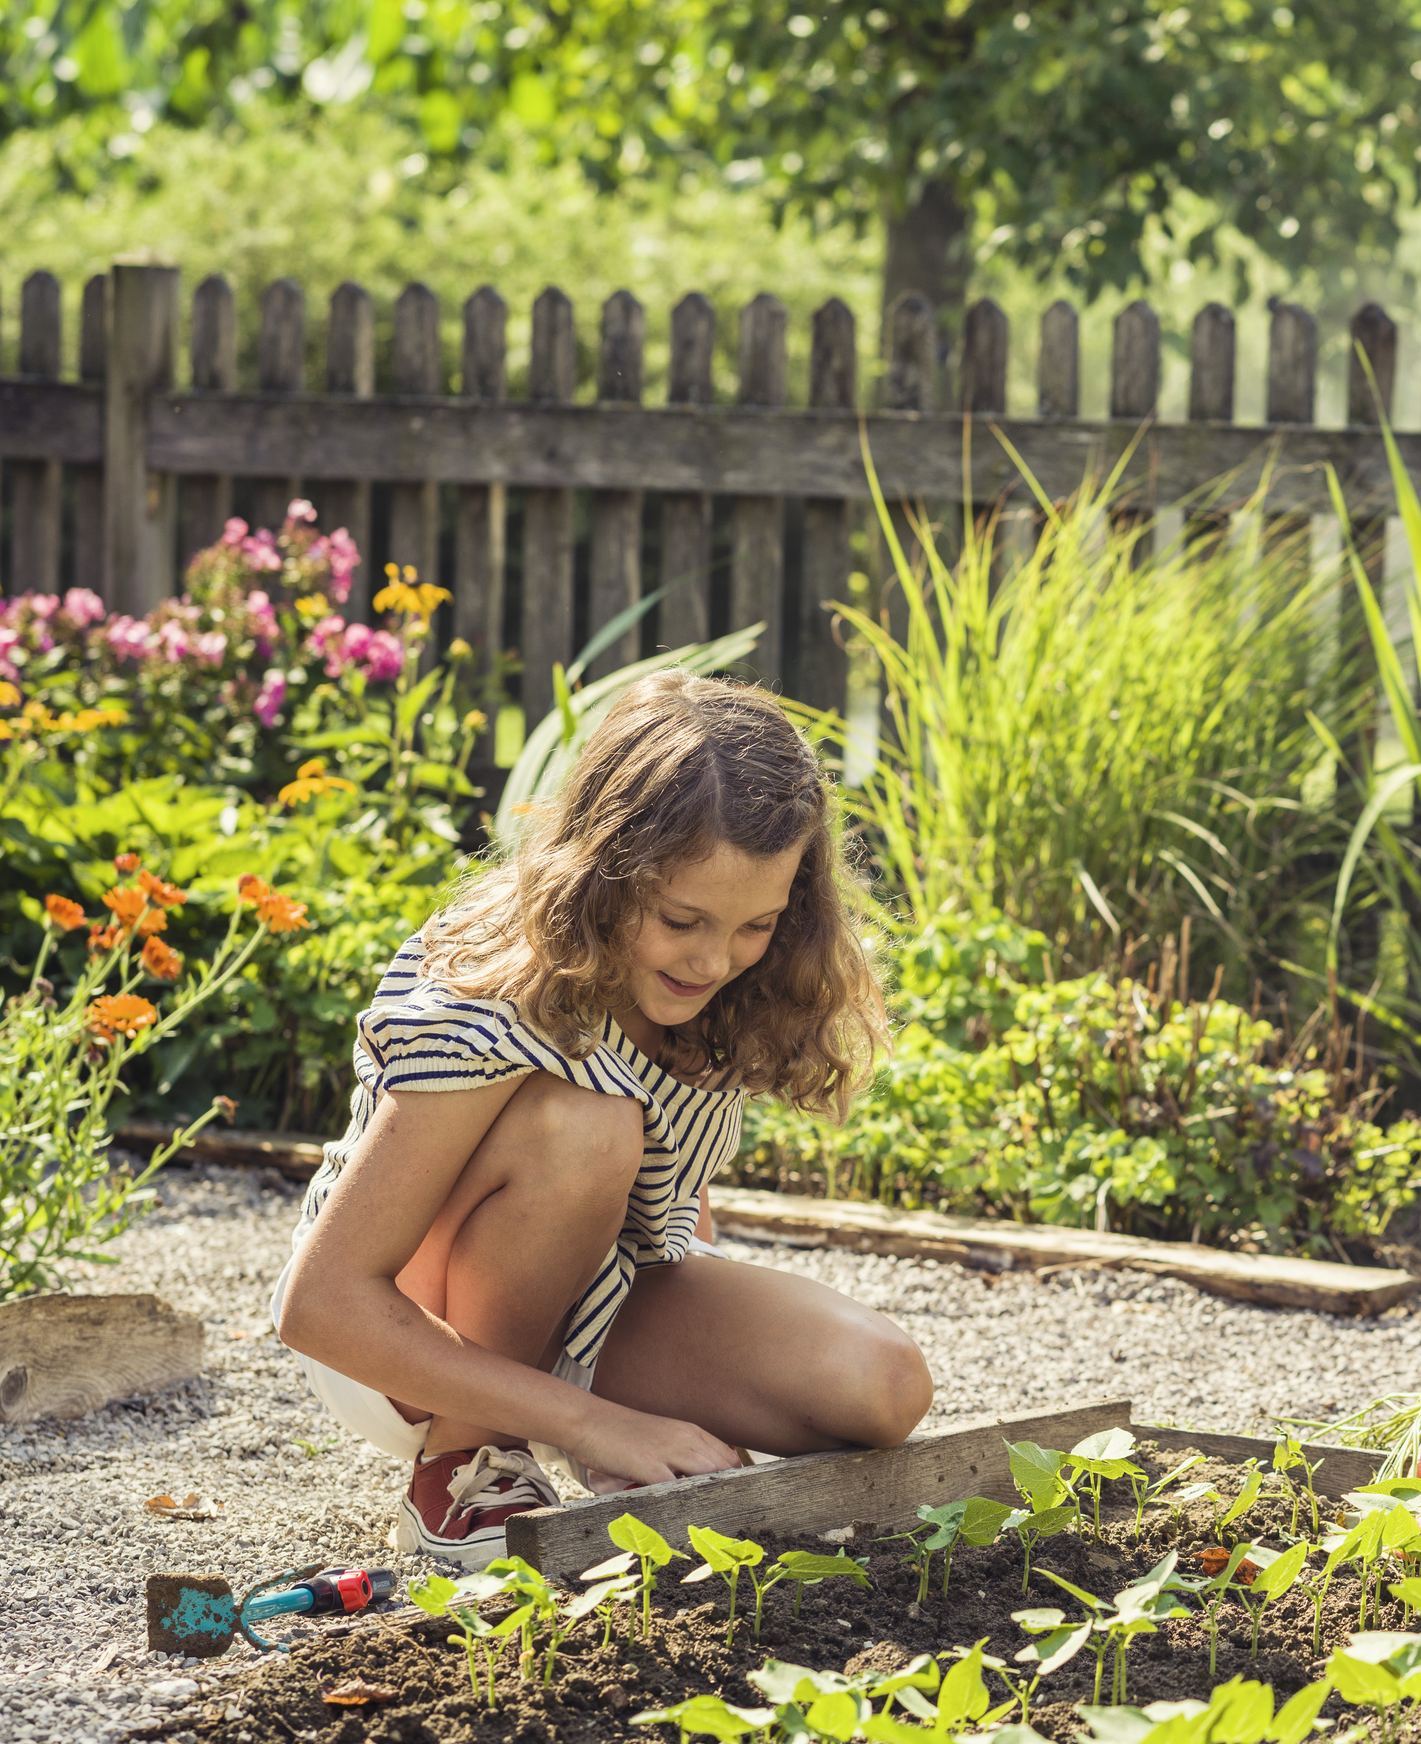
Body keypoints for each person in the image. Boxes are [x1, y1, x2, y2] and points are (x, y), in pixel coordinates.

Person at [274, 669, 932, 1569]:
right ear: (608, 868)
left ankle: (562, 1434)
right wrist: (600, 1423)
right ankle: (467, 1459)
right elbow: (317, 1306)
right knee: (588, 1128)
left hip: (585, 1296)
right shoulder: (496, 991)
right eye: (682, 918)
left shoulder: (717, 987)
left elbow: (667, 1189)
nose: (714, 959)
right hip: (397, 1342)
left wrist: (651, 1412)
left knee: (884, 1386)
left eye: (756, 924)